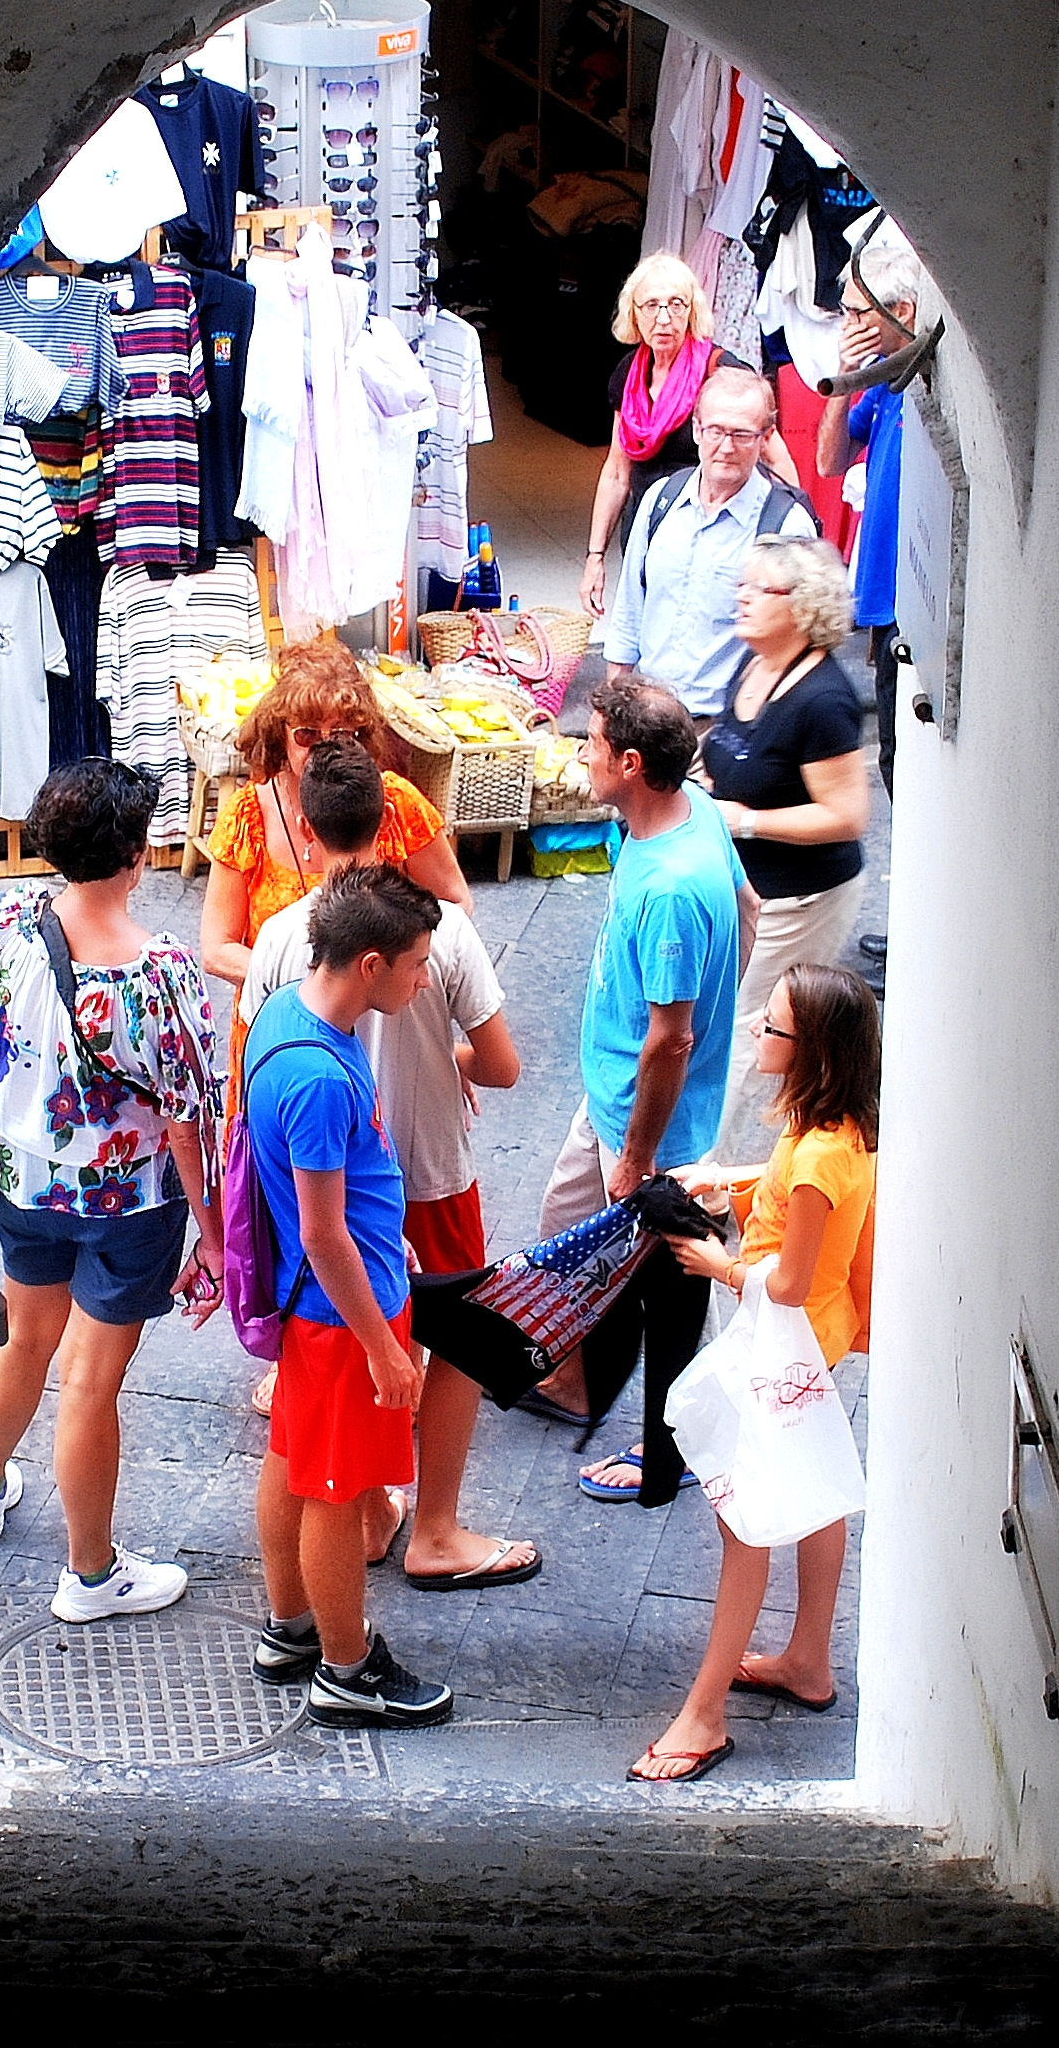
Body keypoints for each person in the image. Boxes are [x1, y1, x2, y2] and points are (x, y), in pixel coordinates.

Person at [240, 743, 536, 1589]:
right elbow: (504, 1064)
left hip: (312, 1183)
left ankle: (370, 1515)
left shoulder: (276, 939)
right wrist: (453, 1060)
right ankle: (432, 1528)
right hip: (429, 1170)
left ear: (304, 824)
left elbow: (253, 1067)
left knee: (328, 1394)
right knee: (457, 1347)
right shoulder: (439, 931)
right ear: (393, 817)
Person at [0, 760, 225, 1622]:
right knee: (92, 1384)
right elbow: (188, 1117)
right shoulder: (160, 971)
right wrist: (213, 1235)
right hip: (129, 1207)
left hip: (24, 1182)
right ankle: (91, 1572)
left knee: (25, 1339)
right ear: (137, 855)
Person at [628, 963, 881, 1783]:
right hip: (817, 1346)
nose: (758, 1035)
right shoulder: (832, 1132)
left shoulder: (815, 1157)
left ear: (812, 1051)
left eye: (772, 1028)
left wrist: (715, 1263)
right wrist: (727, 1179)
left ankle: (704, 1715)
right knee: (814, 1491)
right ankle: (808, 1657)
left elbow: (789, 1281)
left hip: (787, 1348)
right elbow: (790, 1198)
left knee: (744, 1523)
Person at [525, 680, 759, 1506]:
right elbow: (749, 906)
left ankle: (673, 1440)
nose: (579, 754)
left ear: (631, 763)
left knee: (669, 1279)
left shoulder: (667, 890)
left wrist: (637, 1155)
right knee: (574, 1236)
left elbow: (671, 1036)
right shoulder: (688, 808)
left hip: (642, 1116)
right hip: (623, 1095)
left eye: (589, 743)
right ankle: (584, 1385)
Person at [243, 865, 457, 1726]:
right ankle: (344, 1665)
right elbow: (325, 1232)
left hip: (317, 1307)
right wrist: (384, 1346)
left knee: (293, 1459)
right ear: (369, 963)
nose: (423, 977)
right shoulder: (327, 1077)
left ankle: (290, 1628)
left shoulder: (281, 1020)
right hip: (344, 1316)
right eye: (414, 962)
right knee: (335, 1489)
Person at [696, 537, 870, 1157]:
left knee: (746, 1027)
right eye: (742, 584)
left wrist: (745, 820)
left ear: (801, 606)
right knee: (725, 1020)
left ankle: (696, 1181)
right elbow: (732, 755)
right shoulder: (755, 664)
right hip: (747, 887)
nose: (741, 598)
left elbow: (847, 815)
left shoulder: (823, 701)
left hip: (800, 896)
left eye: (760, 589)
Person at [198, 638, 471, 1010]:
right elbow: (216, 949)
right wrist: (312, 985)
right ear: (282, 733)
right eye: (307, 734)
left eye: (341, 734)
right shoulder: (248, 816)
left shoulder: (396, 802)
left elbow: (455, 903)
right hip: (279, 1022)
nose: (324, 747)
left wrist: (392, 974)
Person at [814, 224, 923, 979]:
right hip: (879, 607)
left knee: (906, 773)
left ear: (902, 310)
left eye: (859, 313)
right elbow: (828, 457)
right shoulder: (879, 383)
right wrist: (841, 377)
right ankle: (908, 920)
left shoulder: (918, 384)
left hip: (908, 611)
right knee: (894, 770)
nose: (849, 327)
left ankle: (914, 927)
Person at [581, 255, 800, 620]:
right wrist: (595, 557)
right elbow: (617, 472)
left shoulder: (720, 371)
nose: (663, 318)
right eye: (651, 305)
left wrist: (794, 534)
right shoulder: (628, 375)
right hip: (647, 529)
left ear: (692, 311)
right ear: (634, 313)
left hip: (710, 532)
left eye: (676, 305)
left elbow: (774, 455)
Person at [603, 364, 821, 724]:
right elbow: (630, 611)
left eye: (742, 434)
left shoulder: (785, 525)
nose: (726, 447)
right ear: (696, 430)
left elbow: (800, 650)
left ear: (766, 438)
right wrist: (612, 713)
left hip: (723, 729)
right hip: (647, 724)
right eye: (716, 431)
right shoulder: (661, 500)